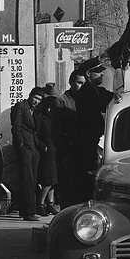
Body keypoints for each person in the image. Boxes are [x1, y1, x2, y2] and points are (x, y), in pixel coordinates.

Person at [69, 62, 120, 205]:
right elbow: (101, 99)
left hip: (91, 141)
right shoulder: (88, 91)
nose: (102, 74)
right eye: (97, 72)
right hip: (86, 142)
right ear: (88, 74)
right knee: (88, 178)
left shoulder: (93, 90)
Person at [52, 71, 85, 209]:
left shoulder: (85, 100)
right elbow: (56, 130)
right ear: (71, 82)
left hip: (82, 151)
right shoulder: (61, 101)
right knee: (67, 189)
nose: (81, 86)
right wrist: (63, 153)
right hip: (68, 151)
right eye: (78, 82)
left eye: (84, 83)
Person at [11, 87, 45, 221]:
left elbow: (33, 131)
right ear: (30, 95)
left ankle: (25, 210)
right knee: (27, 179)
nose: (36, 101)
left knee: (32, 179)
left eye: (39, 100)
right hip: (25, 147)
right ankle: (29, 212)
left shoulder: (34, 112)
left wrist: (41, 146)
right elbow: (16, 126)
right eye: (35, 98)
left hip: (33, 148)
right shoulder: (21, 106)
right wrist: (20, 145)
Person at [36, 93, 59, 216]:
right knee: (48, 180)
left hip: (54, 151)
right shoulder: (41, 118)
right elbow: (36, 135)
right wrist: (42, 146)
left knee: (54, 180)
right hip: (46, 153)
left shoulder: (54, 119)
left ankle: (50, 203)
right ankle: (40, 204)